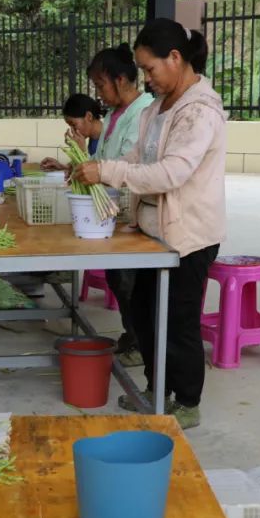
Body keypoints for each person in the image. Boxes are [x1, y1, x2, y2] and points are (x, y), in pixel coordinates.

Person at [73, 20, 226, 430]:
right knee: (144, 313)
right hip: (153, 232)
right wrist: (122, 203)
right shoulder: (159, 108)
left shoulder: (199, 111)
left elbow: (171, 173)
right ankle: (158, 390)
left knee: (178, 319)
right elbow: (141, 160)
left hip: (188, 235)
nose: (147, 78)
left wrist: (107, 171)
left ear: (175, 59)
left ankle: (187, 400)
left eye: (150, 68)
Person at [85, 44, 156, 368]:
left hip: (131, 209)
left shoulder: (145, 111)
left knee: (131, 283)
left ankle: (142, 343)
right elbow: (104, 161)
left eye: (101, 85)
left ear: (122, 80)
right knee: (118, 278)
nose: (98, 93)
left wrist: (102, 171)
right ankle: (133, 336)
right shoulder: (114, 114)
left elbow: (130, 163)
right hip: (112, 212)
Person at [40, 93, 103, 171]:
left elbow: (101, 173)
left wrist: (82, 150)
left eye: (73, 124)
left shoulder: (110, 138)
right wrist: (63, 167)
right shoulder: (93, 140)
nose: (72, 130)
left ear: (89, 116)